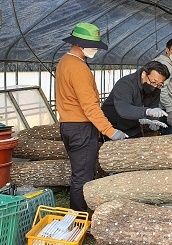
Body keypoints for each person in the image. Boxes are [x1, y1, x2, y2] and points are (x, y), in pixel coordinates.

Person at [56, 22, 128, 211]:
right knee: (82, 177)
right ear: (78, 43)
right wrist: (110, 131)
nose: (96, 49)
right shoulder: (79, 68)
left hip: (68, 126)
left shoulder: (65, 61)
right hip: (81, 128)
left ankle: (78, 216)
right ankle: (80, 219)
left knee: (79, 173)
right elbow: (89, 106)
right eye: (93, 45)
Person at [101, 61, 170, 138]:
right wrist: (147, 111)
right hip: (114, 128)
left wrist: (153, 120)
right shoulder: (125, 84)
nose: (154, 86)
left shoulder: (156, 88)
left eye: (159, 84)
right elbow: (124, 109)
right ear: (144, 74)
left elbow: (153, 105)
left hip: (134, 126)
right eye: (153, 82)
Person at [152, 38, 172, 135]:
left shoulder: (162, 62)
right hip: (164, 108)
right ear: (167, 50)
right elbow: (162, 89)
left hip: (160, 106)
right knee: (168, 138)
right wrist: (169, 111)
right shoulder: (165, 65)